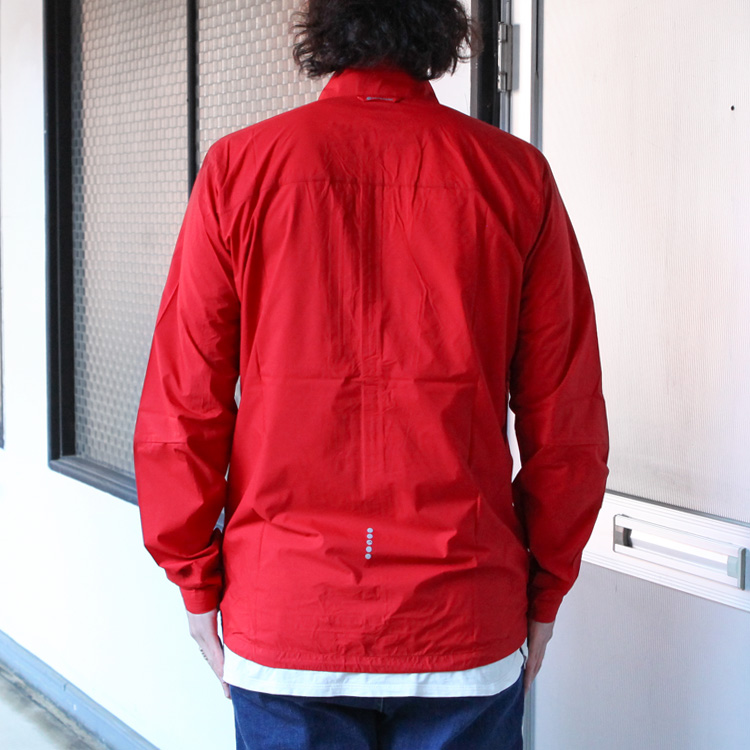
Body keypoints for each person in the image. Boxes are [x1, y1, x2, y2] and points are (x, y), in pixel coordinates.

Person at [133, 1, 610, 747]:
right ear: (441, 31)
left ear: (323, 27)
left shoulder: (239, 168)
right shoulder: (515, 177)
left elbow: (182, 407)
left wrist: (194, 578)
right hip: (462, 615)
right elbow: (566, 418)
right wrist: (546, 587)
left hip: (290, 614)